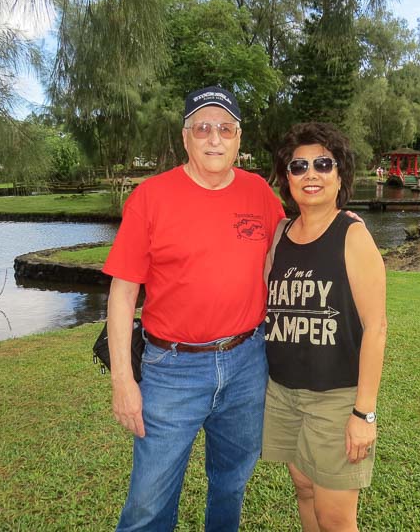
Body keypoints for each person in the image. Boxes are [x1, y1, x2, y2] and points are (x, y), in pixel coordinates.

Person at [102, 85, 285, 531]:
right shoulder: (150, 197)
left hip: (246, 363)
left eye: (225, 128)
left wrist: (339, 224)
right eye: (203, 127)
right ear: (186, 138)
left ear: (239, 139)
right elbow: (123, 295)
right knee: (148, 503)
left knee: (230, 484)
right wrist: (124, 381)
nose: (215, 138)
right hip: (172, 369)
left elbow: (292, 246)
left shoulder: (259, 193)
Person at [262, 122, 387, 532]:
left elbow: (376, 328)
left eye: (322, 164)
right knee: (303, 488)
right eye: (298, 166)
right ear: (287, 178)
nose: (310, 174)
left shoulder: (352, 236)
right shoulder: (279, 234)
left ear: (339, 175)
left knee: (335, 517)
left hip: (335, 399)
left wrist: (363, 413)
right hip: (283, 393)